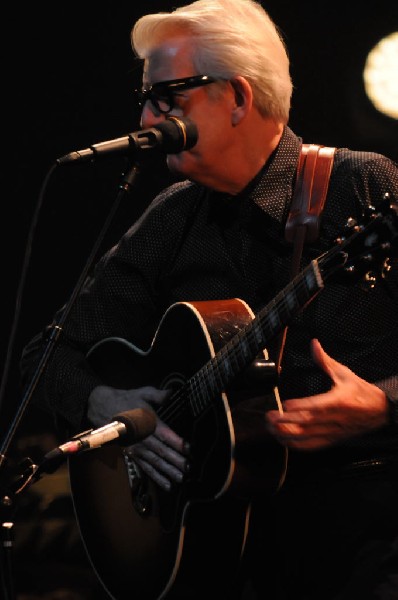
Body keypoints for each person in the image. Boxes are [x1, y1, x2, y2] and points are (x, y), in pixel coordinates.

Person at [19, 0, 398, 599]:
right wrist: (110, 403)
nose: (147, 115)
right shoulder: (174, 216)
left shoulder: (362, 184)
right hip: (219, 552)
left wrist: (384, 405)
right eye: (145, 95)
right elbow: (49, 354)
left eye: (169, 95)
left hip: (365, 544)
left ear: (239, 97)